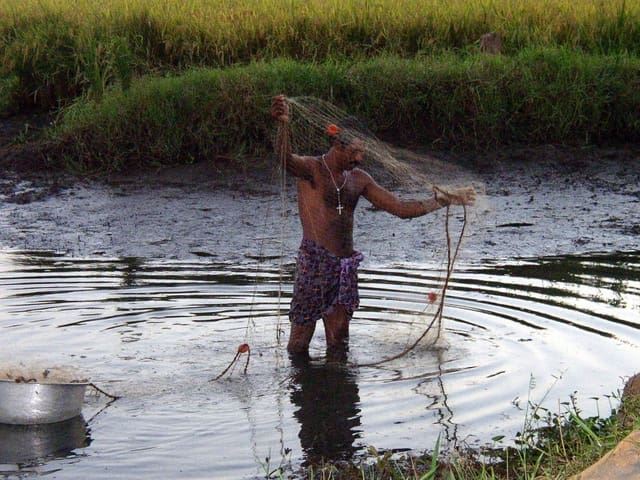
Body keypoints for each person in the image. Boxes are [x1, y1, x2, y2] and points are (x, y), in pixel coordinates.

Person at [271, 94, 475, 357]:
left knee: (339, 340)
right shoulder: (312, 169)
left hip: (345, 267)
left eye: (363, 151)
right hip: (315, 263)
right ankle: (302, 388)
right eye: (354, 151)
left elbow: (400, 209)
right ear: (337, 143)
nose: (360, 157)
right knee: (299, 343)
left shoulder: (359, 179)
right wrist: (283, 125)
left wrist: (444, 200)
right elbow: (284, 160)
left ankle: (339, 393)